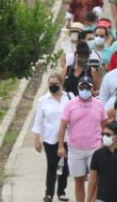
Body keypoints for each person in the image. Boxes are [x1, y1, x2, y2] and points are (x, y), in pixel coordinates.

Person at [57, 77, 106, 202]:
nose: (85, 90)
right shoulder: (70, 105)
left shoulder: (99, 105)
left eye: (87, 87)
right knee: (79, 179)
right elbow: (62, 126)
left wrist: (103, 142)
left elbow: (104, 124)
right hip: (75, 148)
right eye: (82, 87)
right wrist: (61, 146)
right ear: (78, 88)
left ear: (92, 88)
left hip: (94, 147)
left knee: (94, 179)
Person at [33, 71, 72, 202]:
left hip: (67, 138)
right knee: (52, 166)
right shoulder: (43, 101)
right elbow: (38, 121)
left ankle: (61, 192)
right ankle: (49, 193)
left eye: (55, 83)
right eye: (50, 84)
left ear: (61, 84)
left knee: (65, 167)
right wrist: (36, 139)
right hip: (50, 139)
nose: (53, 86)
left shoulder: (69, 98)